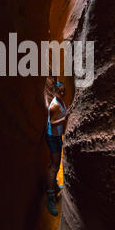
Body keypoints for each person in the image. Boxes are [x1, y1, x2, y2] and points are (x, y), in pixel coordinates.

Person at [45, 81, 68, 216]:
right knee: (54, 167)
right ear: (54, 92)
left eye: (64, 90)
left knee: (55, 165)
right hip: (53, 137)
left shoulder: (61, 101)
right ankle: (50, 198)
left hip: (57, 136)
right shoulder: (54, 105)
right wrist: (64, 119)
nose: (63, 93)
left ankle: (53, 185)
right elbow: (53, 123)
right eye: (60, 91)